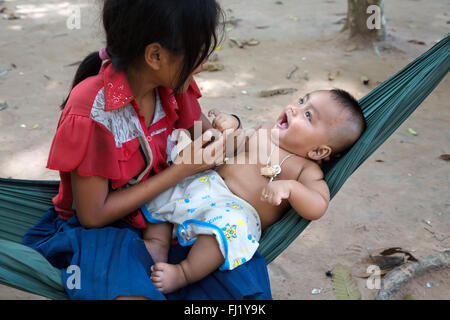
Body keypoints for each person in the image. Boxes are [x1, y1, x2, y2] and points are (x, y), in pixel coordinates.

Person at [22, 0, 272, 300]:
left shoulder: (173, 88)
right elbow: (92, 215)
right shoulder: (92, 111)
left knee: (237, 271)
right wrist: (181, 170)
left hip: (169, 211)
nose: (203, 62)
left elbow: (207, 137)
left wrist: (230, 131)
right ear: (155, 55)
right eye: (198, 51)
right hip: (102, 229)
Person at [141, 89, 367, 294]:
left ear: (318, 151)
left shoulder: (305, 170)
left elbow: (318, 206)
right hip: (209, 185)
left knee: (227, 230)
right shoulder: (265, 130)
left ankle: (183, 273)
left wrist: (292, 188)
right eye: (301, 101)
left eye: (308, 115)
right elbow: (231, 146)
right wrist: (230, 127)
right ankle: (157, 242)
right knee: (171, 182)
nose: (293, 109)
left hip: (238, 210)